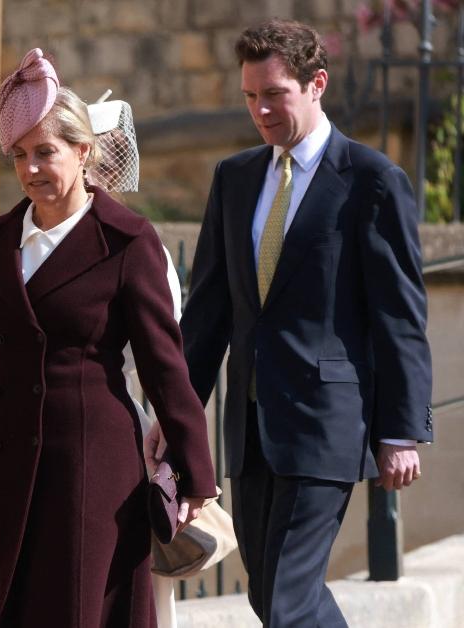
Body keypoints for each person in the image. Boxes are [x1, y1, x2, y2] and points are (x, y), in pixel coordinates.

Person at [0, 48, 217, 628]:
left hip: (90, 470)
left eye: (45, 152)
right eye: (19, 155)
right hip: (3, 467)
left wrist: (194, 471)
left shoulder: (128, 242)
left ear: (82, 152)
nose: (30, 168)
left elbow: (164, 366)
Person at [153, 19, 434, 627]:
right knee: (271, 596)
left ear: (316, 84)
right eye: (250, 96)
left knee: (286, 600)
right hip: (251, 429)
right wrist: (174, 415)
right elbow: (207, 317)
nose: (260, 110)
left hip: (327, 425)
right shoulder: (234, 179)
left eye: (274, 94)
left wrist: (401, 430)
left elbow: (400, 315)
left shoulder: (371, 180)